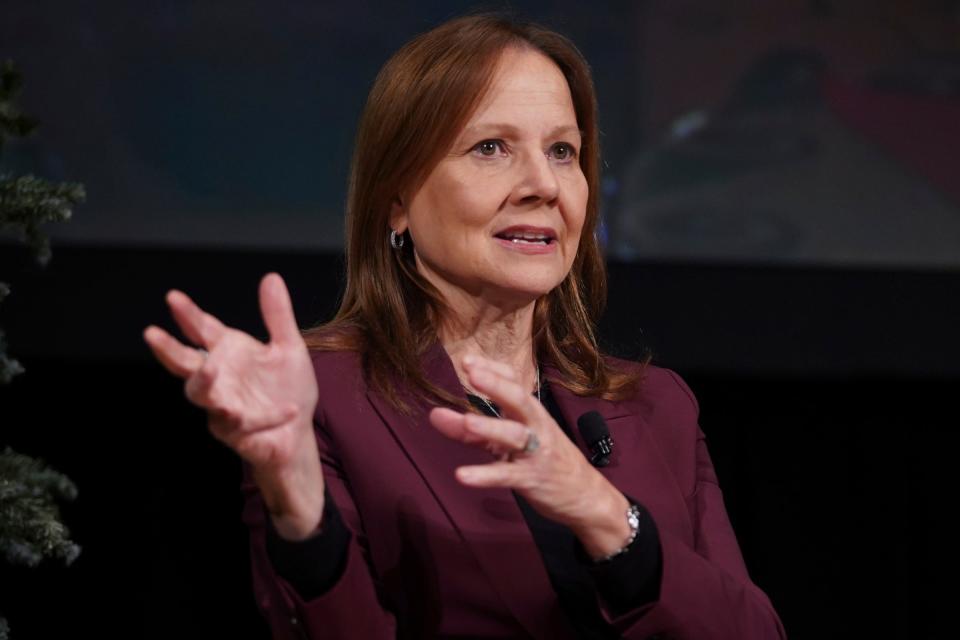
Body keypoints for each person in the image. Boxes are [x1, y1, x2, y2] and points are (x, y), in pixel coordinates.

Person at [144, 14, 786, 640]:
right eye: (491, 148)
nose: (542, 184)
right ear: (396, 199)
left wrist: (607, 517)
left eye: (563, 151)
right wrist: (302, 510)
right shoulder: (323, 398)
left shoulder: (657, 405)